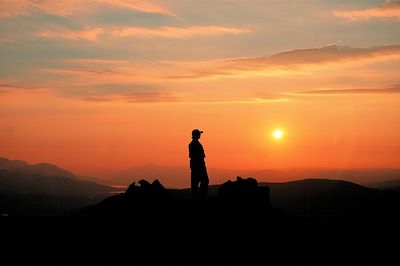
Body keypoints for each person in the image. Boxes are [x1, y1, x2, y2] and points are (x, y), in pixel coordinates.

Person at [189, 129, 209, 200]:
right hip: (198, 166)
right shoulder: (194, 144)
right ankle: (200, 198)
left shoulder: (195, 143)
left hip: (198, 166)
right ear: (196, 135)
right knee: (202, 181)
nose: (200, 135)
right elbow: (195, 156)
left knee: (197, 183)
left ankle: (198, 197)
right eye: (198, 134)